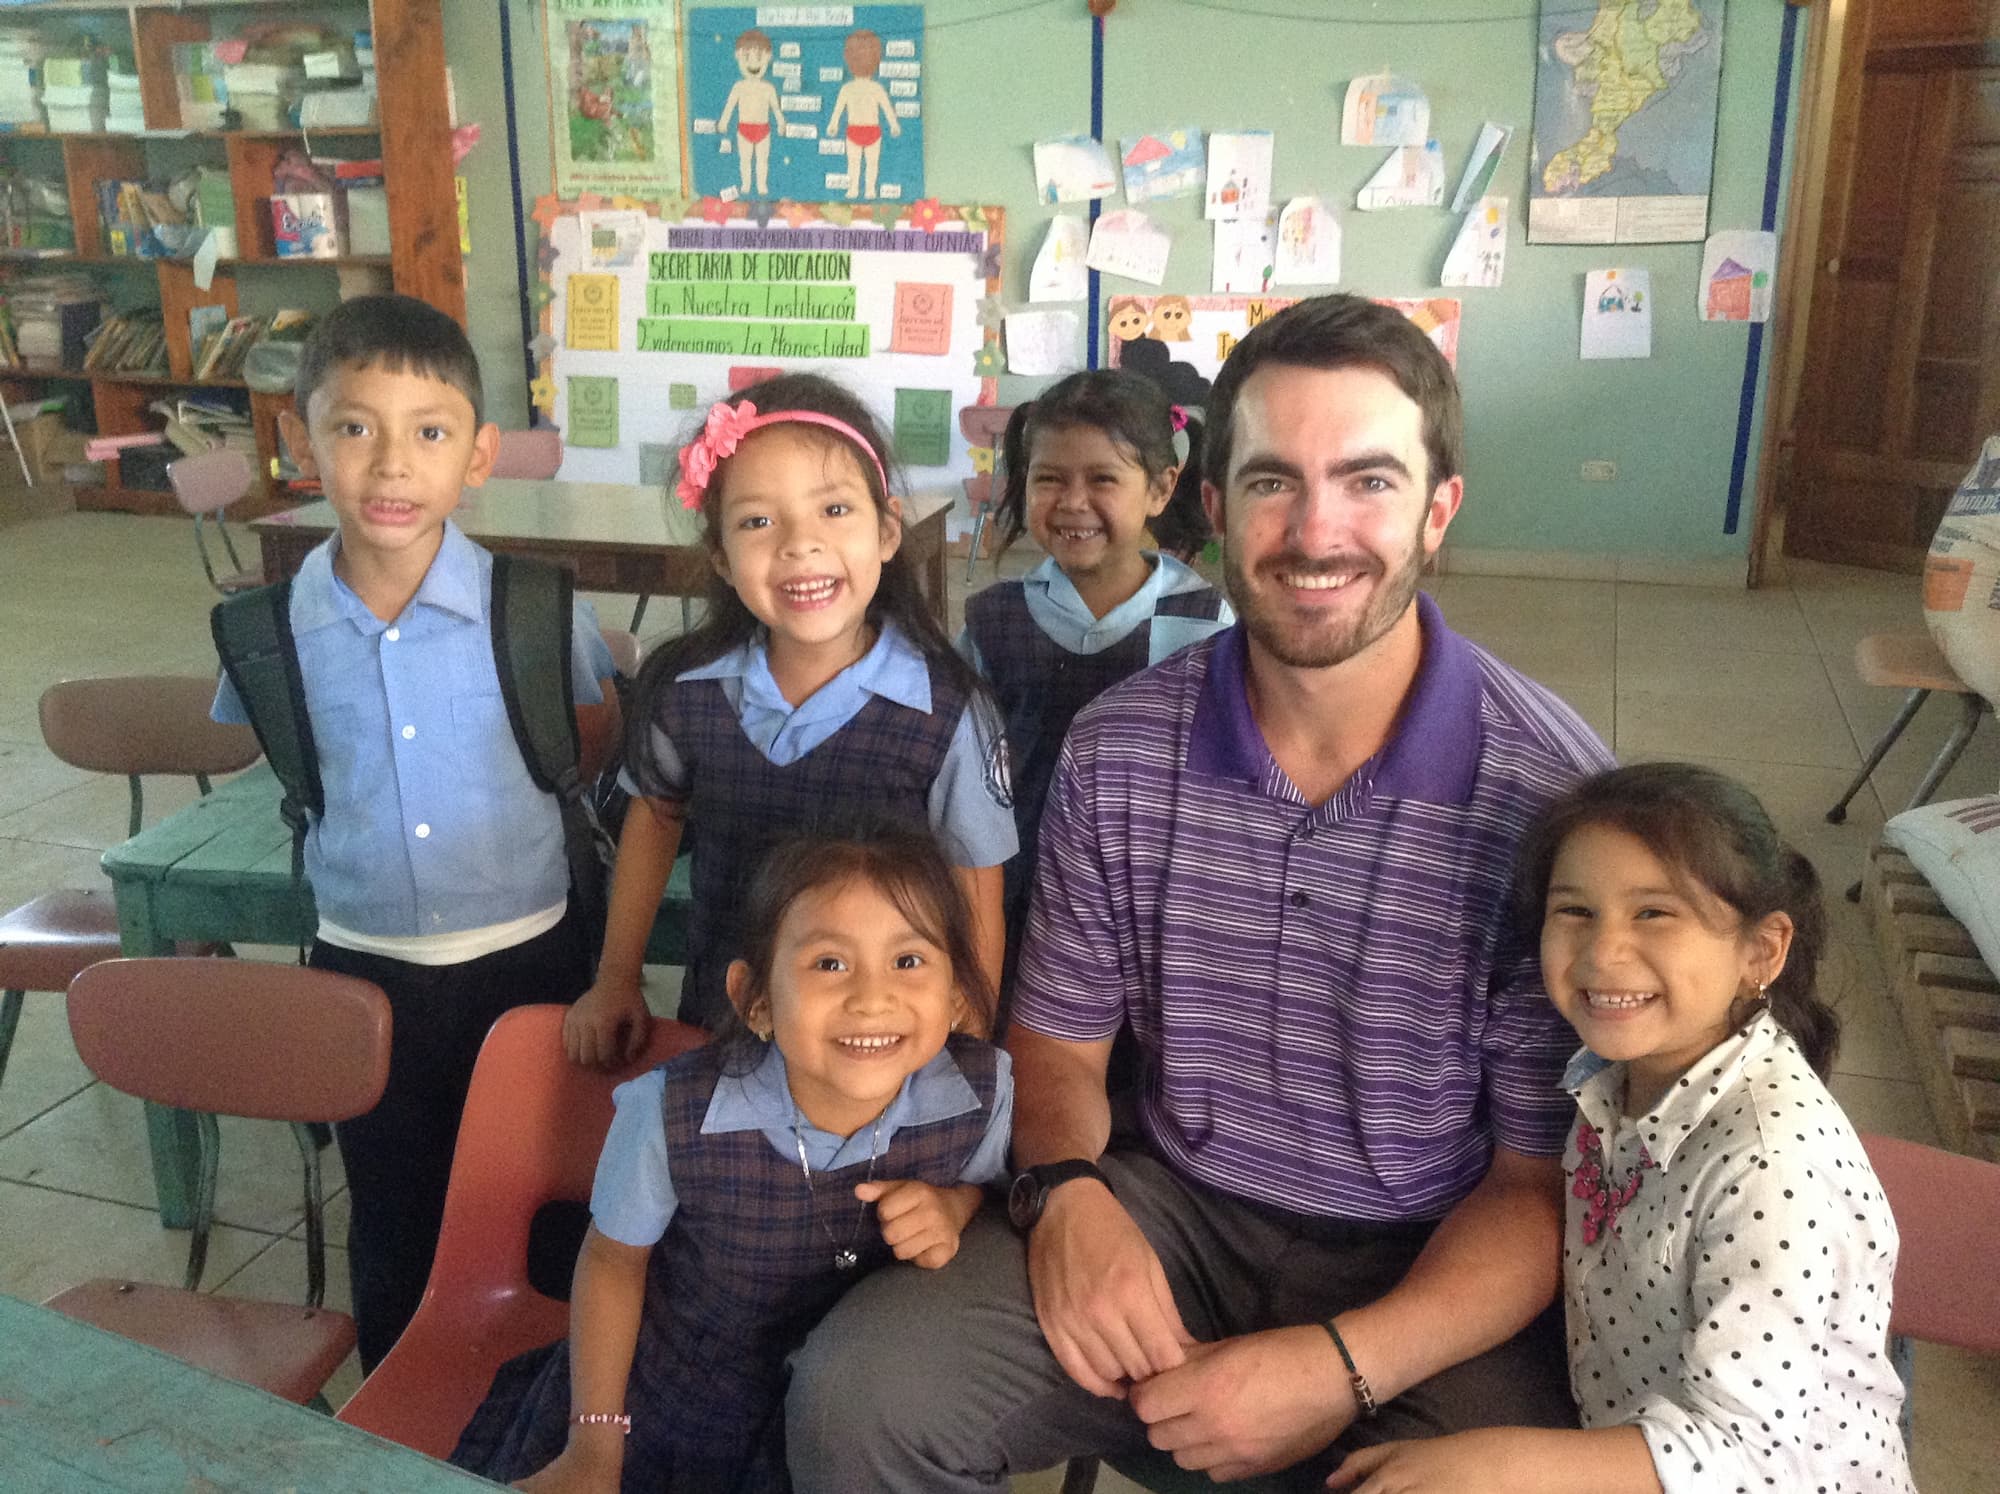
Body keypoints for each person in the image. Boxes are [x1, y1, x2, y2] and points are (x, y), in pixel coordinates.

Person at [787, 293, 1616, 1490]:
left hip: (1425, 1259)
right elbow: (1059, 1051)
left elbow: (1535, 1185)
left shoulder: (1551, 799)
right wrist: (1068, 1196)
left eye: (1369, 482)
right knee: (857, 1401)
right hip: (1170, 1204)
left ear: (1438, 511)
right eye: (1275, 483)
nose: (1315, 532)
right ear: (1215, 507)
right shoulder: (1119, 751)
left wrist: (1336, 1368)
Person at [210, 294, 616, 1369]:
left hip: (532, 960)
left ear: (477, 454)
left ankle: (550, 1412)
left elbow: (587, 747)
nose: (391, 465)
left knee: (543, 1205)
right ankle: (402, 1421)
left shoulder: (535, 611)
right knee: (392, 1213)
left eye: (428, 432)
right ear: (301, 442)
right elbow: (290, 770)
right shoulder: (265, 635)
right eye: (354, 428)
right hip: (363, 968)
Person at [1328, 762, 1912, 1494]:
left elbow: (1749, 1457)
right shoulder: (1614, 1081)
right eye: (1574, 911)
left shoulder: (1771, 1166)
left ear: (1761, 951)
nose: (1604, 953)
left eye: (1654, 914)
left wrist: (1497, 1463)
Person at [452, 825, 1015, 1492]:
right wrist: (594, 1442)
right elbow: (612, 1260)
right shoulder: (673, 1111)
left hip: (835, 1419)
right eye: (830, 963)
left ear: (954, 998)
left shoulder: (982, 1093)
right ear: (756, 1001)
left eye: (910, 961)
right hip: (671, 1399)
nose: (873, 998)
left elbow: (995, 1201)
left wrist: (957, 1204)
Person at [565, 372, 1014, 1058]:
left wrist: (973, 1033)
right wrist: (618, 978)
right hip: (721, 1028)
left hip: (878, 1040)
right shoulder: (684, 689)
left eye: (834, 510)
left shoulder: (949, 711)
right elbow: (655, 819)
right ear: (719, 553)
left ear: (889, 529)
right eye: (757, 521)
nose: (799, 544)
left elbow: (975, 879)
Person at [960, 370, 1230, 1018]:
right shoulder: (993, 620)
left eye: (1103, 479)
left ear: (1162, 489)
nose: (1073, 501)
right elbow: (962, 772)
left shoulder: (1203, 621)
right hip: (1016, 880)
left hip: (1150, 886)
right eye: (1048, 478)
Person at [826, 29, 900, 200]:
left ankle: (869, 189)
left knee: (871, 163)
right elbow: (838, 110)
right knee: (854, 163)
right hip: (854, 131)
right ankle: (853, 188)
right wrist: (833, 124)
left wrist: (894, 124)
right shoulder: (847, 89)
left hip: (872, 131)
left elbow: (887, 109)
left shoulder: (876, 88)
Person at [716, 29, 781, 198]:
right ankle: (746, 184)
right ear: (737, 56)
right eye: (746, 57)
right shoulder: (739, 86)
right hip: (743, 129)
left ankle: (761, 185)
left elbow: (775, 108)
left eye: (759, 57)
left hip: (763, 130)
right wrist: (723, 121)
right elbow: (730, 106)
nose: (753, 63)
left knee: (762, 161)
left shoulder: (769, 88)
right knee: (744, 160)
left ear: (768, 57)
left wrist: (781, 122)